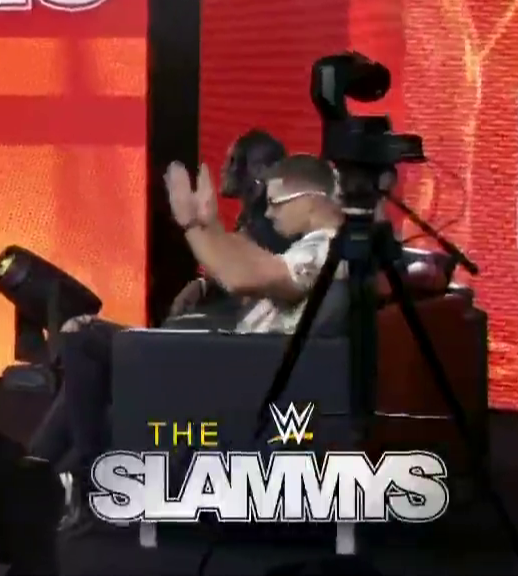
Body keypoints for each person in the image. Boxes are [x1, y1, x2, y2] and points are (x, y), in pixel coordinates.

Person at [28, 154, 344, 532]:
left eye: (276, 203)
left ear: (310, 200)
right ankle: (42, 473)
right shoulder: (316, 247)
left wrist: (193, 226)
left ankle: (76, 480)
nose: (269, 213)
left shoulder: (326, 249)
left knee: (85, 338)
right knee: (87, 345)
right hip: (233, 358)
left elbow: (241, 277)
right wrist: (211, 228)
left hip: (239, 371)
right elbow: (251, 268)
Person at [164, 129, 290, 323]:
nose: (223, 168)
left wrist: (192, 223)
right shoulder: (252, 217)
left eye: (232, 161)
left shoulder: (271, 221)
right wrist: (203, 286)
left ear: (259, 170)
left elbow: (240, 277)